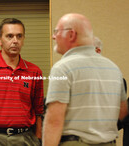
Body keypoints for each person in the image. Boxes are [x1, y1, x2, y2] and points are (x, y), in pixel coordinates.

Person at [43, 13, 128, 146]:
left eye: (57, 32)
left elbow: (54, 121)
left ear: (71, 35)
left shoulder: (63, 68)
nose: (54, 36)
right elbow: (123, 113)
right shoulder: (114, 69)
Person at [0, 18, 44, 146]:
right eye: (9, 36)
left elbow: (38, 110)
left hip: (25, 139)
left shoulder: (34, 71)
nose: (15, 41)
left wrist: (38, 138)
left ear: (23, 39)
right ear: (0, 40)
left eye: (19, 36)